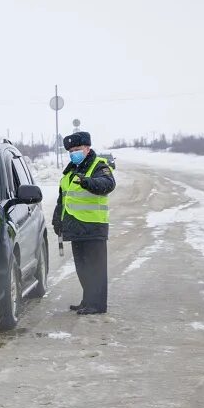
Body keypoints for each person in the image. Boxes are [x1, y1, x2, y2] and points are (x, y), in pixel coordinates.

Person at [52, 131, 116, 315]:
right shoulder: (71, 171)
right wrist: (58, 220)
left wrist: (88, 182)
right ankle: (87, 300)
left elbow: (107, 184)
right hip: (75, 227)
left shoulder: (99, 166)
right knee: (82, 268)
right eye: (71, 150)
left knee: (96, 268)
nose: (74, 153)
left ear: (87, 148)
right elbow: (63, 199)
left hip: (93, 226)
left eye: (77, 149)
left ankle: (97, 304)